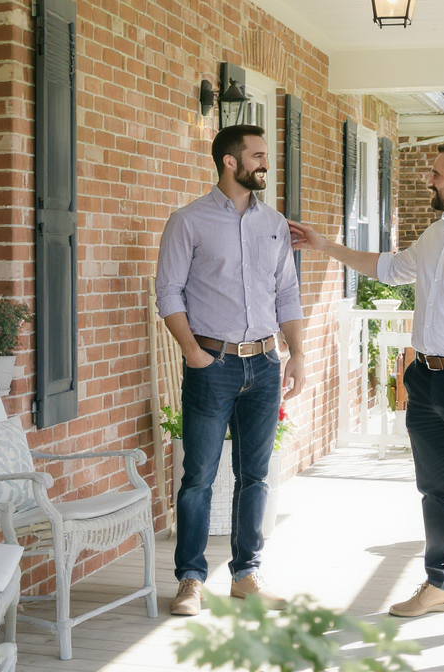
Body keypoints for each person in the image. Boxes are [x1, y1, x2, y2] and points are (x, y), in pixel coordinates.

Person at [288, 141, 444, 643]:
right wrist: (325, 246)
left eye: (436, 173)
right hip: (426, 379)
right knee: (435, 488)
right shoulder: (436, 234)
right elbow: (388, 268)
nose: (430, 180)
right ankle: (441, 583)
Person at [155, 124, 306, 617]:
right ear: (229, 161)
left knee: (255, 476)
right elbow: (168, 293)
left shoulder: (275, 224)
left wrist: (297, 353)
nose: (265, 163)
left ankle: (245, 575)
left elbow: (287, 293)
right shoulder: (188, 221)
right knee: (198, 475)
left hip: (263, 364)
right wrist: (193, 352)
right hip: (211, 363)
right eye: (258, 156)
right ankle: (191, 580)